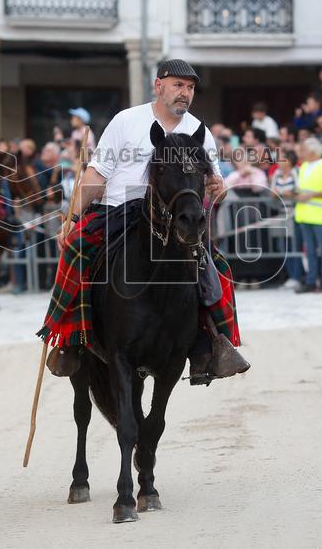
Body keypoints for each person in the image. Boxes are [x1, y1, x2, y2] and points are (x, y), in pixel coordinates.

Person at [41, 59, 248, 386]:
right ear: (159, 85)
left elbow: (215, 188)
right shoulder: (126, 121)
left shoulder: (199, 132)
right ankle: (69, 339)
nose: (185, 93)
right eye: (178, 85)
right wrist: (73, 215)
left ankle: (212, 344)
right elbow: (97, 174)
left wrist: (218, 190)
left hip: (173, 221)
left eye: (191, 88)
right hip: (118, 210)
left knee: (215, 266)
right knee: (76, 247)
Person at [293, 137, 322, 293]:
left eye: (304, 149)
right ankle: (311, 281)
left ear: (312, 151)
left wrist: (310, 196)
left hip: (321, 216)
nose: (301, 152)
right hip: (305, 215)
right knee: (309, 251)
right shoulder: (304, 166)